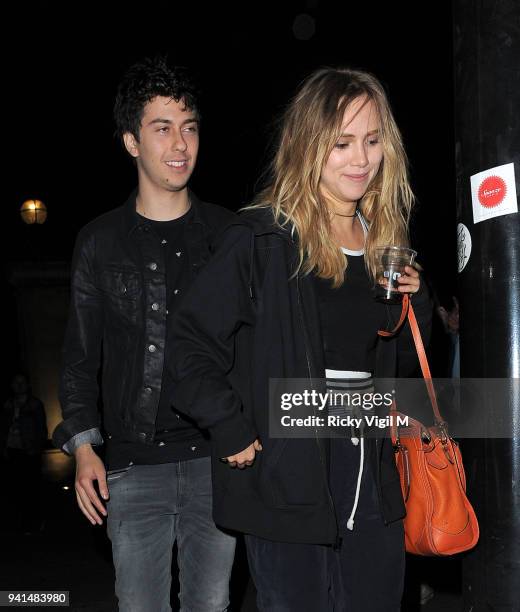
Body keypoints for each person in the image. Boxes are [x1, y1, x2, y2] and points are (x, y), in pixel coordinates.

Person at [169, 67, 432, 611]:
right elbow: (189, 343)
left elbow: (400, 367)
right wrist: (230, 426)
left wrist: (417, 302)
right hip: (290, 475)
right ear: (308, 144)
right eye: (341, 143)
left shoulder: (385, 245)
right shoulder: (262, 237)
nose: (361, 159)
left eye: (373, 140)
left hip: (372, 477)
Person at [52, 57, 237, 612]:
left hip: (216, 465)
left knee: (212, 605)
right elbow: (80, 357)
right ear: (132, 142)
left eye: (189, 126)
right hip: (132, 469)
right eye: (162, 128)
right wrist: (84, 447)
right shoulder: (99, 241)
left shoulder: (230, 235)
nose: (180, 143)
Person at [1, 373, 47, 534]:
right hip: (13, 451)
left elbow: (41, 429)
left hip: (29, 452)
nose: (19, 386)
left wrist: (36, 449)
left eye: (22, 382)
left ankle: (35, 522)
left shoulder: (34, 404)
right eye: (16, 382)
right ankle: (20, 523)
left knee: (31, 488)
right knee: (16, 489)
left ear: (27, 385)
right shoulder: (8, 405)